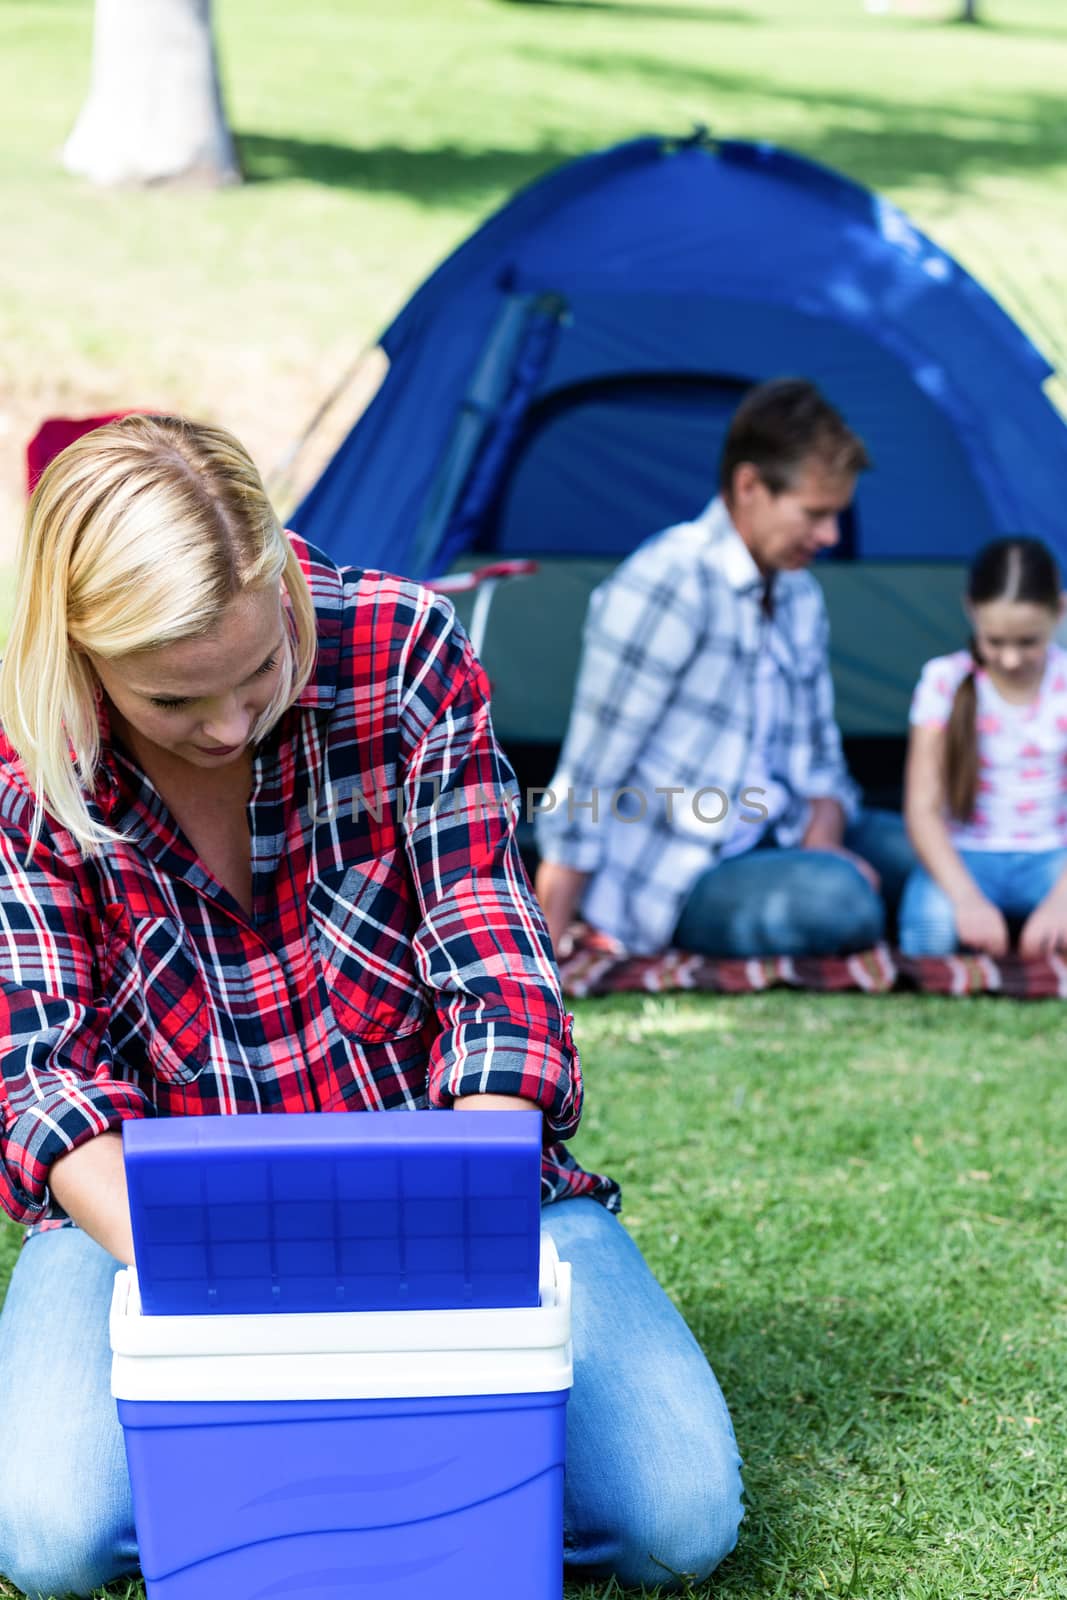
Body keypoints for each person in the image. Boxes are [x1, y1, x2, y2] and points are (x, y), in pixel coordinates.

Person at [0, 416, 742, 1597]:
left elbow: (495, 960)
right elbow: (42, 1077)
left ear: (277, 576)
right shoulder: (28, 759)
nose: (234, 722)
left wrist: (461, 1221)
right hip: (151, 1225)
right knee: (53, 1542)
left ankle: (311, 1485)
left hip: (445, 1177)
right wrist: (237, 1295)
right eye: (176, 698)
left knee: (674, 1518)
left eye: (258, 667)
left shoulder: (400, 648)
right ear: (85, 656)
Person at [535, 378, 915, 961]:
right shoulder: (669, 582)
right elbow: (589, 771)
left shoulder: (800, 595)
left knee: (933, 858)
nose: (830, 537)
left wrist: (824, 838)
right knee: (841, 903)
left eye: (836, 516)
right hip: (683, 869)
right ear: (749, 487)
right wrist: (542, 941)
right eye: (815, 514)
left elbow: (823, 763)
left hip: (781, 830)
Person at [899, 536, 1067, 957]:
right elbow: (922, 809)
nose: (1010, 659)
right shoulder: (943, 681)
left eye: (1028, 641)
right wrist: (966, 900)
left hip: (1054, 859)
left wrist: (1059, 904)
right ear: (971, 611)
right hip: (968, 856)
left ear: (1060, 612)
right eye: (995, 641)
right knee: (929, 935)